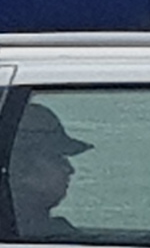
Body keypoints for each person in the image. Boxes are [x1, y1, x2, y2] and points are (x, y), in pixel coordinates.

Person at [7, 101, 91, 240]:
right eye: (57, 157)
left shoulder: (41, 232)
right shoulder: (38, 236)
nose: (70, 169)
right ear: (20, 167)